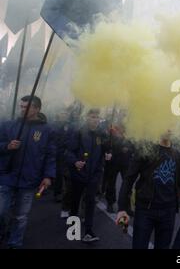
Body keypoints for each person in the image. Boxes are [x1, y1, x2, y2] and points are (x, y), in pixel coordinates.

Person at [116, 130, 180, 249]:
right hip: (146, 210)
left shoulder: (178, 155)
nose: (169, 129)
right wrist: (122, 208)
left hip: (168, 212)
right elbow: (129, 179)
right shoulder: (146, 151)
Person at [0, 96, 56, 249]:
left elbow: (50, 155)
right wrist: (7, 146)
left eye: (27, 107)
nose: (23, 109)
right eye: (22, 106)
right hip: (6, 176)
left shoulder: (47, 130)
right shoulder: (8, 126)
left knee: (20, 216)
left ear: (37, 109)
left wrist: (48, 176)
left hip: (29, 180)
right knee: (1, 211)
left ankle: (15, 243)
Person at [65, 108, 108, 243]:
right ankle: (73, 226)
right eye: (92, 117)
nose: (95, 119)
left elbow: (106, 150)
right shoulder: (79, 132)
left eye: (97, 117)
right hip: (79, 174)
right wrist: (75, 162)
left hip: (94, 175)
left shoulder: (101, 134)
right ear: (87, 118)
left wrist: (108, 154)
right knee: (75, 200)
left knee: (90, 202)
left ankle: (88, 231)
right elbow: (68, 152)